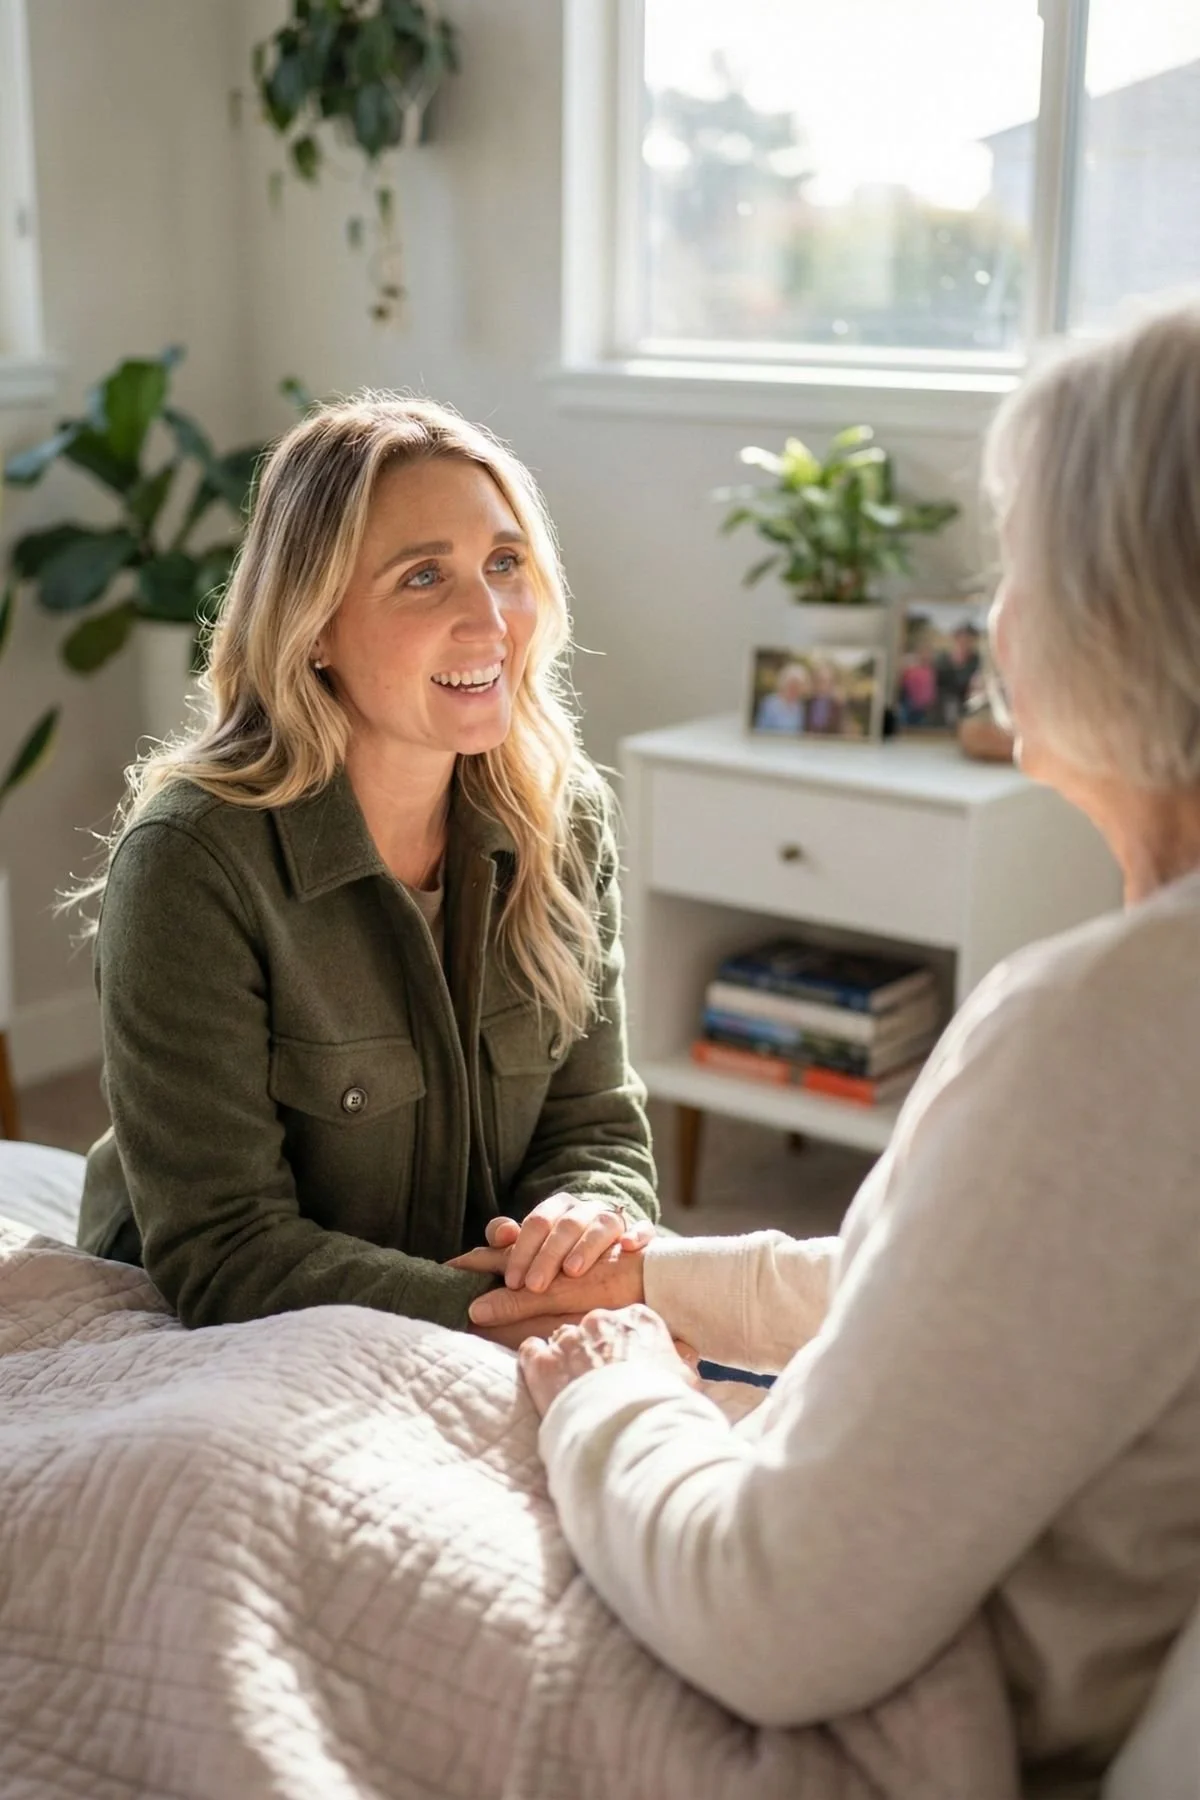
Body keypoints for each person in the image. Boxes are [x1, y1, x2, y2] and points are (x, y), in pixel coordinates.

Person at [460, 300, 1200, 1797]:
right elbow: (957, 1304)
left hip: (919, 1724)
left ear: (1122, 605)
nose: (990, 618)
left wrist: (610, 1382)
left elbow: (777, 1614)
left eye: (1012, 559)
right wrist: (656, 1277)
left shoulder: (1109, 1034)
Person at [75, 397, 657, 1334]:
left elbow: (595, 1129)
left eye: (504, 564)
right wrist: (511, 1308)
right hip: (218, 1341)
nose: (491, 619)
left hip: (465, 1313)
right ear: (311, 627)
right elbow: (224, 1250)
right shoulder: (192, 864)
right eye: (425, 576)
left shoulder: (565, 819)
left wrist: (586, 1223)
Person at [753, 661, 809, 733]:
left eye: (799, 685)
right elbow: (760, 730)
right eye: (792, 683)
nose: (795, 688)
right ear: (784, 682)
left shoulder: (800, 706)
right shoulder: (769, 703)